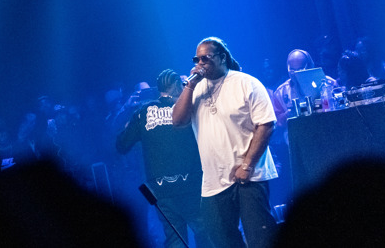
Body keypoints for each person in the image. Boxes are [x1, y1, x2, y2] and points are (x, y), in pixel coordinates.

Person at [171, 37, 279, 248]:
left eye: (205, 58)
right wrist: (190, 86)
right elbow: (177, 121)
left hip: (249, 175)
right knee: (221, 240)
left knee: (260, 239)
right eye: (197, 59)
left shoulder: (246, 83)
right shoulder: (195, 89)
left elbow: (266, 125)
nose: (200, 64)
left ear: (221, 57)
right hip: (214, 181)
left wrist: (247, 165)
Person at [116, 69, 210, 248]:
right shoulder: (188, 108)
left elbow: (121, 145)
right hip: (191, 186)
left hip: (160, 189)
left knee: (175, 239)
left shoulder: (143, 111)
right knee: (205, 233)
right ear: (176, 86)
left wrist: (130, 117)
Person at [271, 49, 337, 128]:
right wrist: (287, 115)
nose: (295, 74)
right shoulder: (280, 92)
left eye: (300, 70)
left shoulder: (329, 84)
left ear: (310, 66)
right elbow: (276, 121)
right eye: (292, 70)